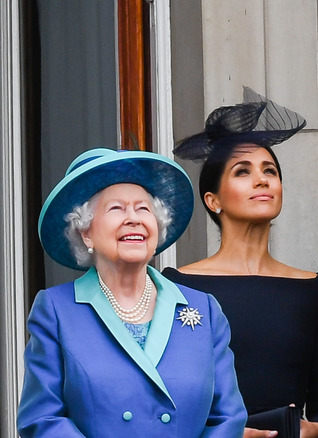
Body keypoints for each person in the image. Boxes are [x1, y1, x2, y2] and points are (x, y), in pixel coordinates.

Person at [18, 148, 246, 436]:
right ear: (85, 231)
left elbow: (228, 418)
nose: (134, 218)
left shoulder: (205, 309)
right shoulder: (55, 310)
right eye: (116, 208)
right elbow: (42, 419)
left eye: (143, 208)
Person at [162, 87, 318, 438]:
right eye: (242, 171)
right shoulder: (175, 286)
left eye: (270, 171)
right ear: (213, 200)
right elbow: (166, 400)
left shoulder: (314, 289)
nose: (262, 179)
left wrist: (315, 430)